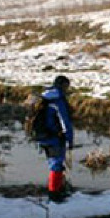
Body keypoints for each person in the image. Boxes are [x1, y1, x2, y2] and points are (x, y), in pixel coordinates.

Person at [38, 75, 74, 203]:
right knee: (56, 164)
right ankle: (54, 194)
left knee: (53, 163)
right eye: (66, 86)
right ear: (63, 86)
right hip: (54, 137)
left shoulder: (45, 97)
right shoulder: (58, 100)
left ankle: (57, 188)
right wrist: (70, 140)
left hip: (42, 137)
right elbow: (65, 122)